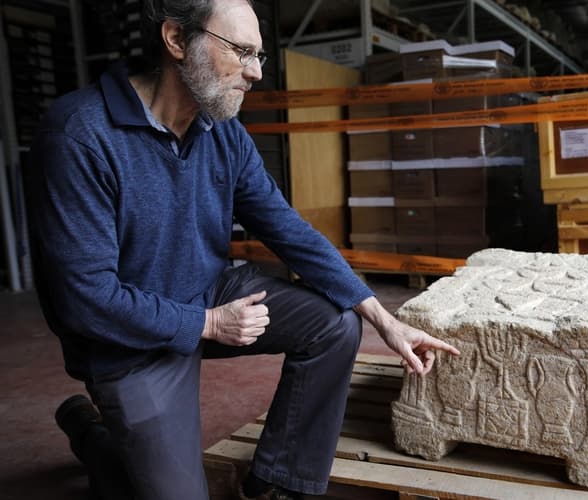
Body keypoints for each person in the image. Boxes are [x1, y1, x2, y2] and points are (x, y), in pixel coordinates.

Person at [24, 0, 459, 499]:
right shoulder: (79, 135)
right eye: (242, 51)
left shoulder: (221, 130)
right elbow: (86, 299)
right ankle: (94, 436)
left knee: (336, 323)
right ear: (176, 39)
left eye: (259, 55)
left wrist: (384, 320)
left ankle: (275, 485)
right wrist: (209, 323)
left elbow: (287, 229)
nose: (256, 72)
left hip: (206, 292)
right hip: (128, 339)